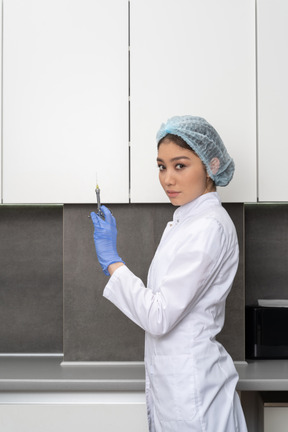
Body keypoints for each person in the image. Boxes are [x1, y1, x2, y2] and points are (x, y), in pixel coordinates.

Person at [90, 115, 248, 432]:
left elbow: (159, 315)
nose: (167, 179)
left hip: (196, 396)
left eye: (180, 165)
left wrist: (112, 262)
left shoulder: (209, 227)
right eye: (162, 166)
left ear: (211, 165)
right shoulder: (187, 221)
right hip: (180, 388)